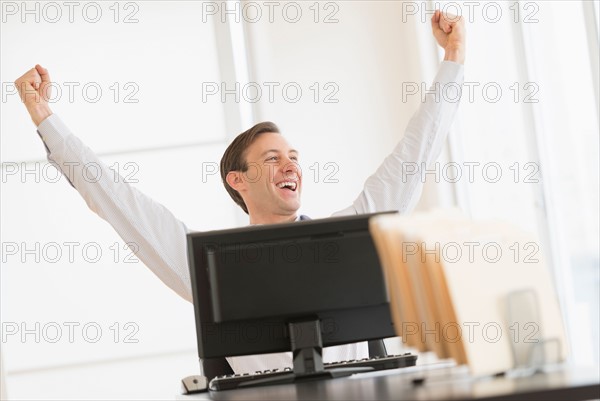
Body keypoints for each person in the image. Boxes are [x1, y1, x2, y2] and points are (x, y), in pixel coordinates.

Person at [14, 10, 465, 374]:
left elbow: (413, 158)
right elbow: (118, 202)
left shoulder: (349, 235)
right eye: (271, 159)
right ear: (237, 180)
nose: (290, 166)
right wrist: (43, 115)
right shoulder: (211, 269)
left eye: (293, 157)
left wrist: (454, 59)